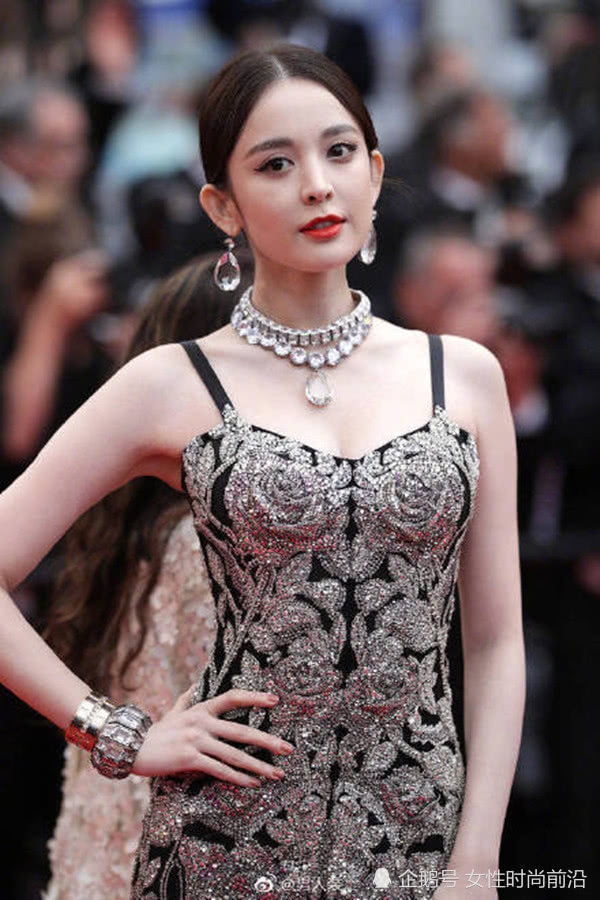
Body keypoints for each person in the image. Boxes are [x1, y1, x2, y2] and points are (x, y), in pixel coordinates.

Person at [0, 45, 524, 900]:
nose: (317, 185)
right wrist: (118, 734)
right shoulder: (171, 383)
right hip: (224, 845)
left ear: (375, 173)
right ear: (223, 205)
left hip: (418, 841)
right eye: (275, 164)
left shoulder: (462, 376)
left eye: (339, 151)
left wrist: (479, 861)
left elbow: (496, 643)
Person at [43, 253, 251, 899]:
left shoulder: (134, 518)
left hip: (109, 834)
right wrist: (124, 740)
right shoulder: (201, 538)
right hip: (170, 846)